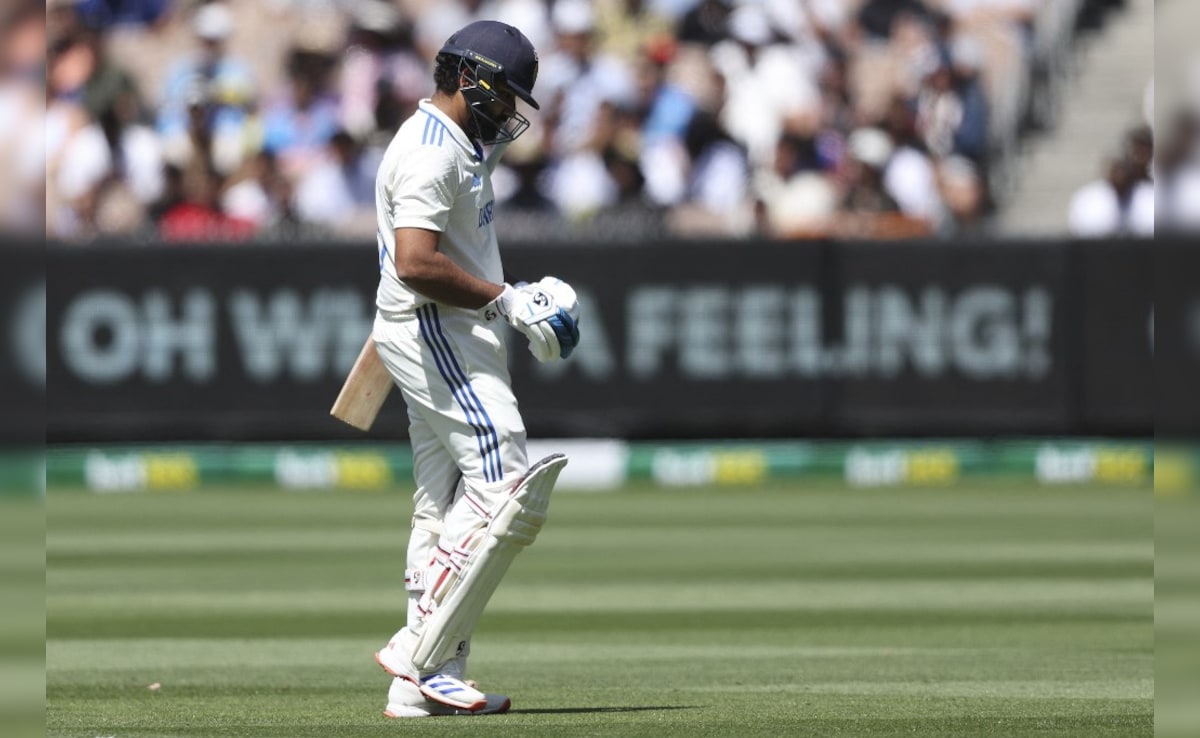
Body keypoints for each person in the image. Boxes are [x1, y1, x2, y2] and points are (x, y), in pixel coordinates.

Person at [367, 20, 580, 718]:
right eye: (506, 94)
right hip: (438, 330)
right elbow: (415, 263)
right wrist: (506, 300)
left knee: (441, 501)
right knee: (505, 480)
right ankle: (419, 649)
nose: (510, 110)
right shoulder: (433, 153)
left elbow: (450, 249)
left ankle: (420, 686)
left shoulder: (457, 141)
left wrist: (514, 295)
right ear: (469, 78)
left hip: (442, 330)